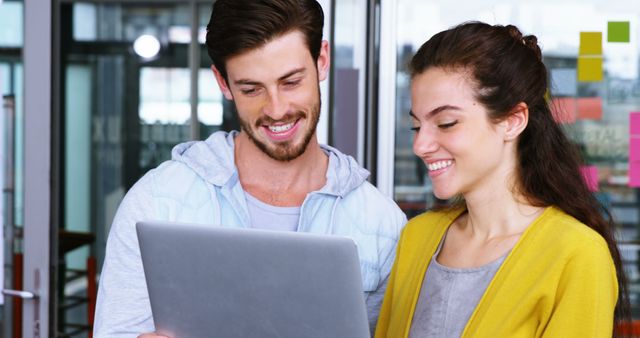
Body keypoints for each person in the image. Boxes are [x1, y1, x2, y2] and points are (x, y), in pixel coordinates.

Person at [93, 0, 407, 337]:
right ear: (223, 83)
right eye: (251, 88)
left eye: (290, 82)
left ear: (322, 60)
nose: (276, 109)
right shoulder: (157, 202)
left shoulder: (382, 225)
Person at [375, 22, 630, 338]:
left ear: (513, 121)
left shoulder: (576, 254)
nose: (420, 145)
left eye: (446, 123)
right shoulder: (416, 237)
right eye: (417, 127)